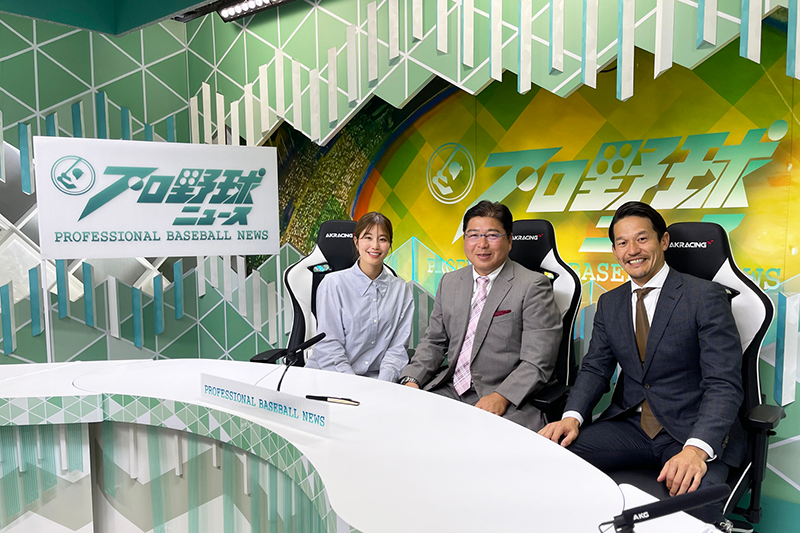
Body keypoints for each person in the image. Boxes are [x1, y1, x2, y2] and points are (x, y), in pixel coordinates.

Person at [539, 201, 744, 528]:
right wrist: (571, 417)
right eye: (622, 242)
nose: (632, 250)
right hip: (630, 426)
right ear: (614, 250)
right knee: (551, 462)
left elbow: (723, 384)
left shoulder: (704, 296)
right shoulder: (610, 303)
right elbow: (595, 369)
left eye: (642, 239)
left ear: (663, 241)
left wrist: (696, 449)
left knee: (695, 507)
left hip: (689, 429)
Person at [399, 200, 562, 431]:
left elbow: (537, 361)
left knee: (482, 443)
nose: (482, 244)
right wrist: (412, 379)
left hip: (506, 396)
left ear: (510, 240)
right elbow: (434, 342)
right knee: (406, 424)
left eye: (492, 235)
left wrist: (501, 396)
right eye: (473, 235)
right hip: (451, 388)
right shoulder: (450, 282)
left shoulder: (533, 286)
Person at [305, 212, 414, 382]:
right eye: (368, 238)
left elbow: (397, 349)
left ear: (390, 244)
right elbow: (329, 345)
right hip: (331, 377)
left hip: (377, 382)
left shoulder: (401, 290)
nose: (375, 246)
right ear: (356, 242)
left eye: (382, 239)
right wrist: (353, 386)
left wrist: (383, 385)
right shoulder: (333, 284)